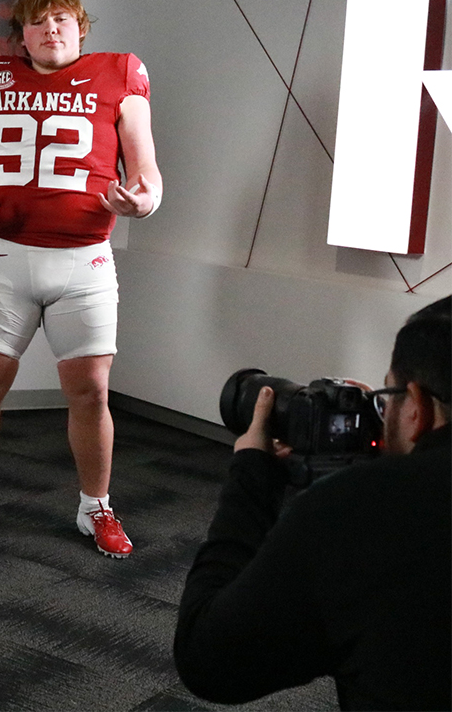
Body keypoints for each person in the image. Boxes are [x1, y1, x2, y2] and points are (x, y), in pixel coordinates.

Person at [0, 0, 162, 557]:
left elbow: (147, 174)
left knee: (91, 392)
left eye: (62, 19)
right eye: (38, 21)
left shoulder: (121, 73)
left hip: (86, 261)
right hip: (7, 255)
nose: (51, 28)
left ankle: (96, 506)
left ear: (80, 27)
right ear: (21, 36)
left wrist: (141, 201)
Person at [174, 297, 451, 710]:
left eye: (388, 396)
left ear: (418, 407)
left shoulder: (353, 513)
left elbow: (208, 660)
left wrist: (251, 477)